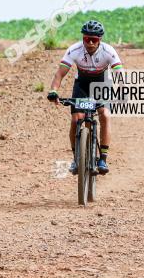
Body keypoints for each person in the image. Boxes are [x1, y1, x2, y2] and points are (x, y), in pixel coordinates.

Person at [46, 20, 123, 175]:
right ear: (83, 38)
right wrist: (53, 90)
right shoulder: (74, 50)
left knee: (105, 115)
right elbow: (60, 74)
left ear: (100, 40)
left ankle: (103, 158)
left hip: (101, 84)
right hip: (81, 85)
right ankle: (76, 159)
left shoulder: (108, 51)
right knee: (75, 120)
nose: (90, 43)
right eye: (87, 39)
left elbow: (119, 75)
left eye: (94, 39)